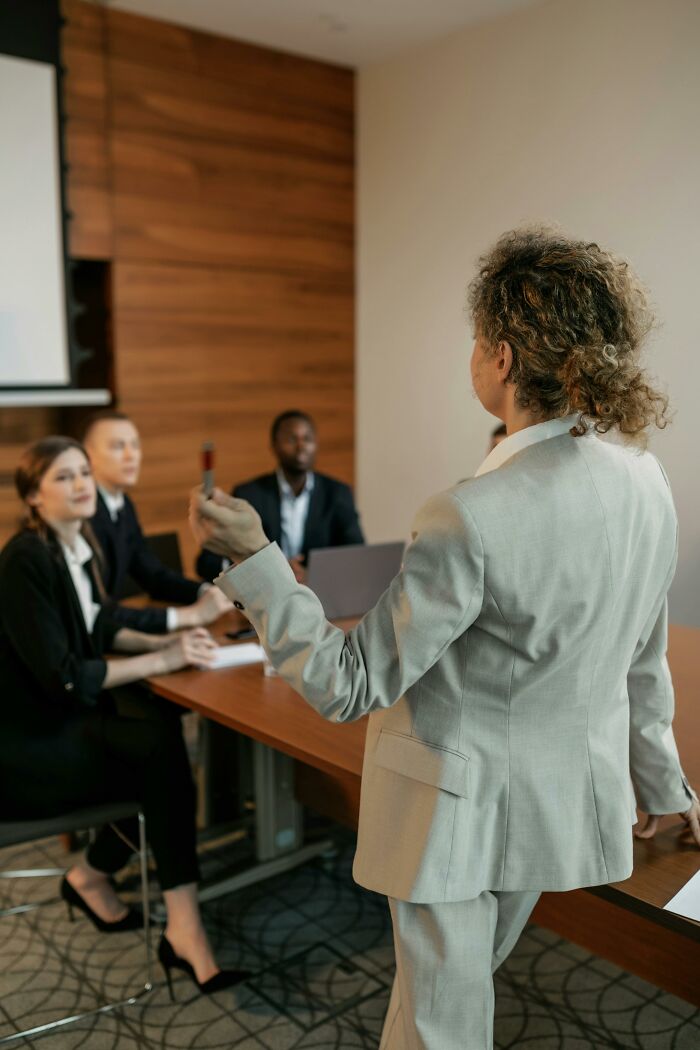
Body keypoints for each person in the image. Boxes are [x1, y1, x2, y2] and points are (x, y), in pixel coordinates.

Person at [190, 227, 700, 1049]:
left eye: (474, 341)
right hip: (558, 807)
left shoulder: (469, 513)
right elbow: (642, 660)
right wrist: (667, 786)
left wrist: (255, 559)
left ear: (500, 357)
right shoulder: (648, 478)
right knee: (445, 1006)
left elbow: (349, 684)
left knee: (441, 1027)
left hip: (455, 821)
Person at [0, 437, 249, 995]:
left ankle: (109, 885)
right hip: (21, 751)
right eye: (63, 477)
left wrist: (183, 635)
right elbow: (64, 673)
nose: (82, 483)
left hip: (58, 723)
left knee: (156, 735)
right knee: (157, 756)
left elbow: (102, 626)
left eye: (84, 472)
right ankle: (145, 905)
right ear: (34, 497)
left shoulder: (74, 544)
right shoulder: (25, 559)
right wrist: (163, 655)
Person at [83, 411, 230, 633]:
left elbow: (153, 575)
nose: (130, 455)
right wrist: (187, 616)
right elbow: (95, 608)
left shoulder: (123, 504)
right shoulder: (80, 516)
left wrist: (205, 591)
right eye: (117, 446)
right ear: (87, 456)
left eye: (135, 445)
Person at [196, 410, 364, 584]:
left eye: (307, 439)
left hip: (320, 598)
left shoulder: (337, 493)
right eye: (292, 439)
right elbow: (207, 563)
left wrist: (313, 574)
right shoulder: (248, 495)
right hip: (264, 596)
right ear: (273, 447)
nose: (301, 446)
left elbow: (357, 557)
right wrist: (271, 570)